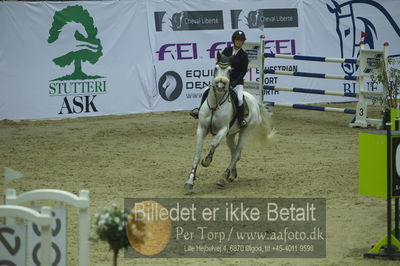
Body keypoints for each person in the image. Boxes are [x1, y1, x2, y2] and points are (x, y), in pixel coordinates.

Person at [190, 30, 249, 128]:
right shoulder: (227, 50)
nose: (239, 42)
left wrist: (235, 82)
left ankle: (240, 119)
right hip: (223, 80)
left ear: (243, 42)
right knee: (206, 90)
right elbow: (220, 65)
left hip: (236, 83)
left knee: (239, 99)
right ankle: (199, 111)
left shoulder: (244, 55)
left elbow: (243, 71)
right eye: (237, 40)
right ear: (233, 40)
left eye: (241, 40)